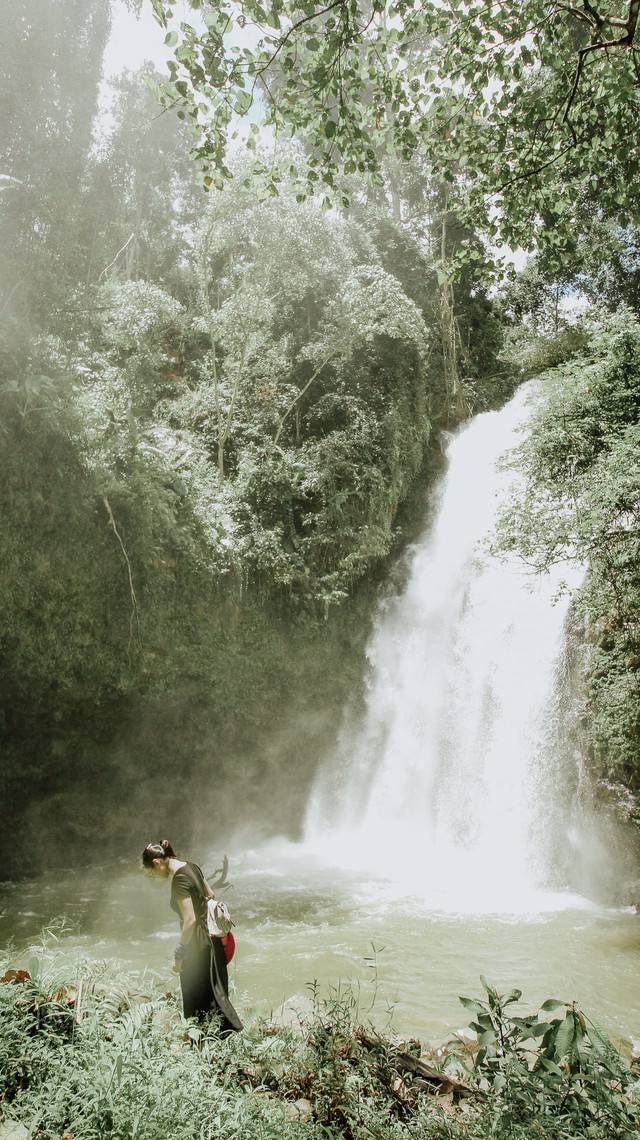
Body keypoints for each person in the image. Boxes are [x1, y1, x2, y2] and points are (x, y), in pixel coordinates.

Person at [142, 839, 242, 1033]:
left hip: (196, 947)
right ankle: (220, 1044)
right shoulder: (192, 867)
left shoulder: (179, 880)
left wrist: (179, 955)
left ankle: (200, 1047)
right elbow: (210, 894)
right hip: (212, 940)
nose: (154, 877)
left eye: (151, 873)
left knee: (196, 1001)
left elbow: (189, 920)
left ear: (157, 862)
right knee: (215, 994)